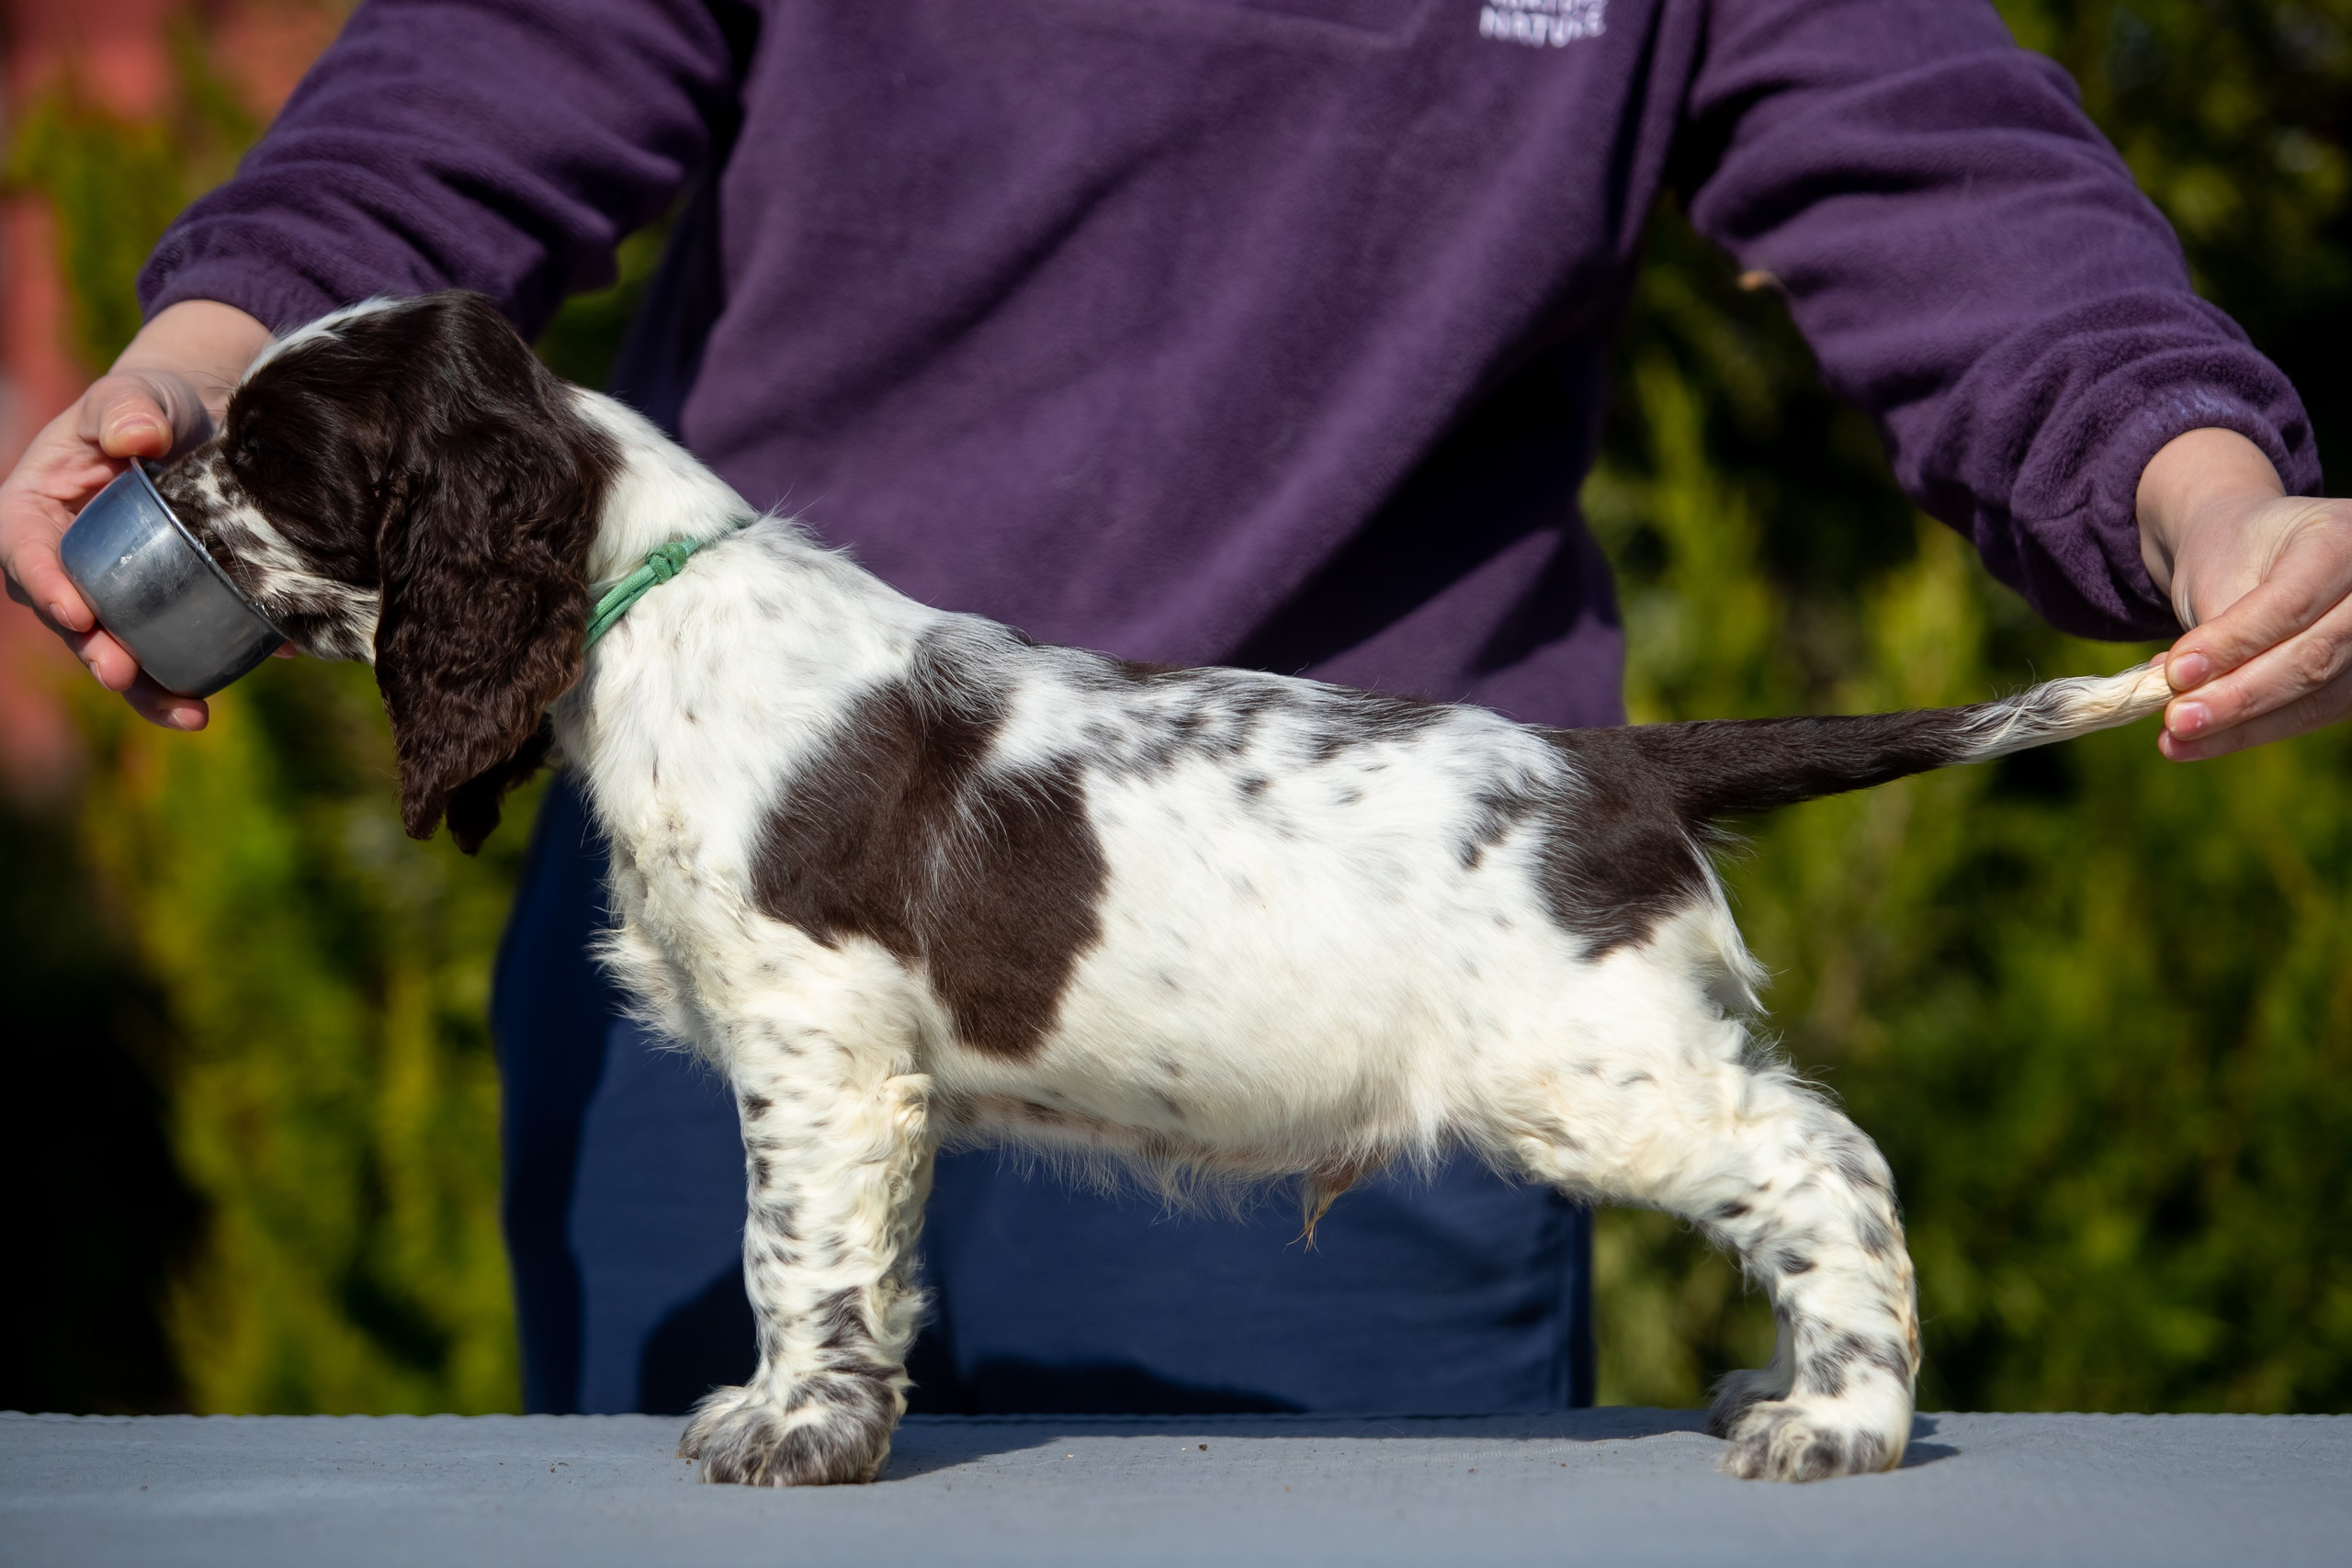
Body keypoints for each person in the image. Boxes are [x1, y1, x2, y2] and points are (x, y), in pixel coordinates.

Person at [4, 0, 2344, 1418]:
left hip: (1352, 938)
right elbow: (480, 79)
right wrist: (204, 374)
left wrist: (2202, 490)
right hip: (750, 885)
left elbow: (1946, 183)